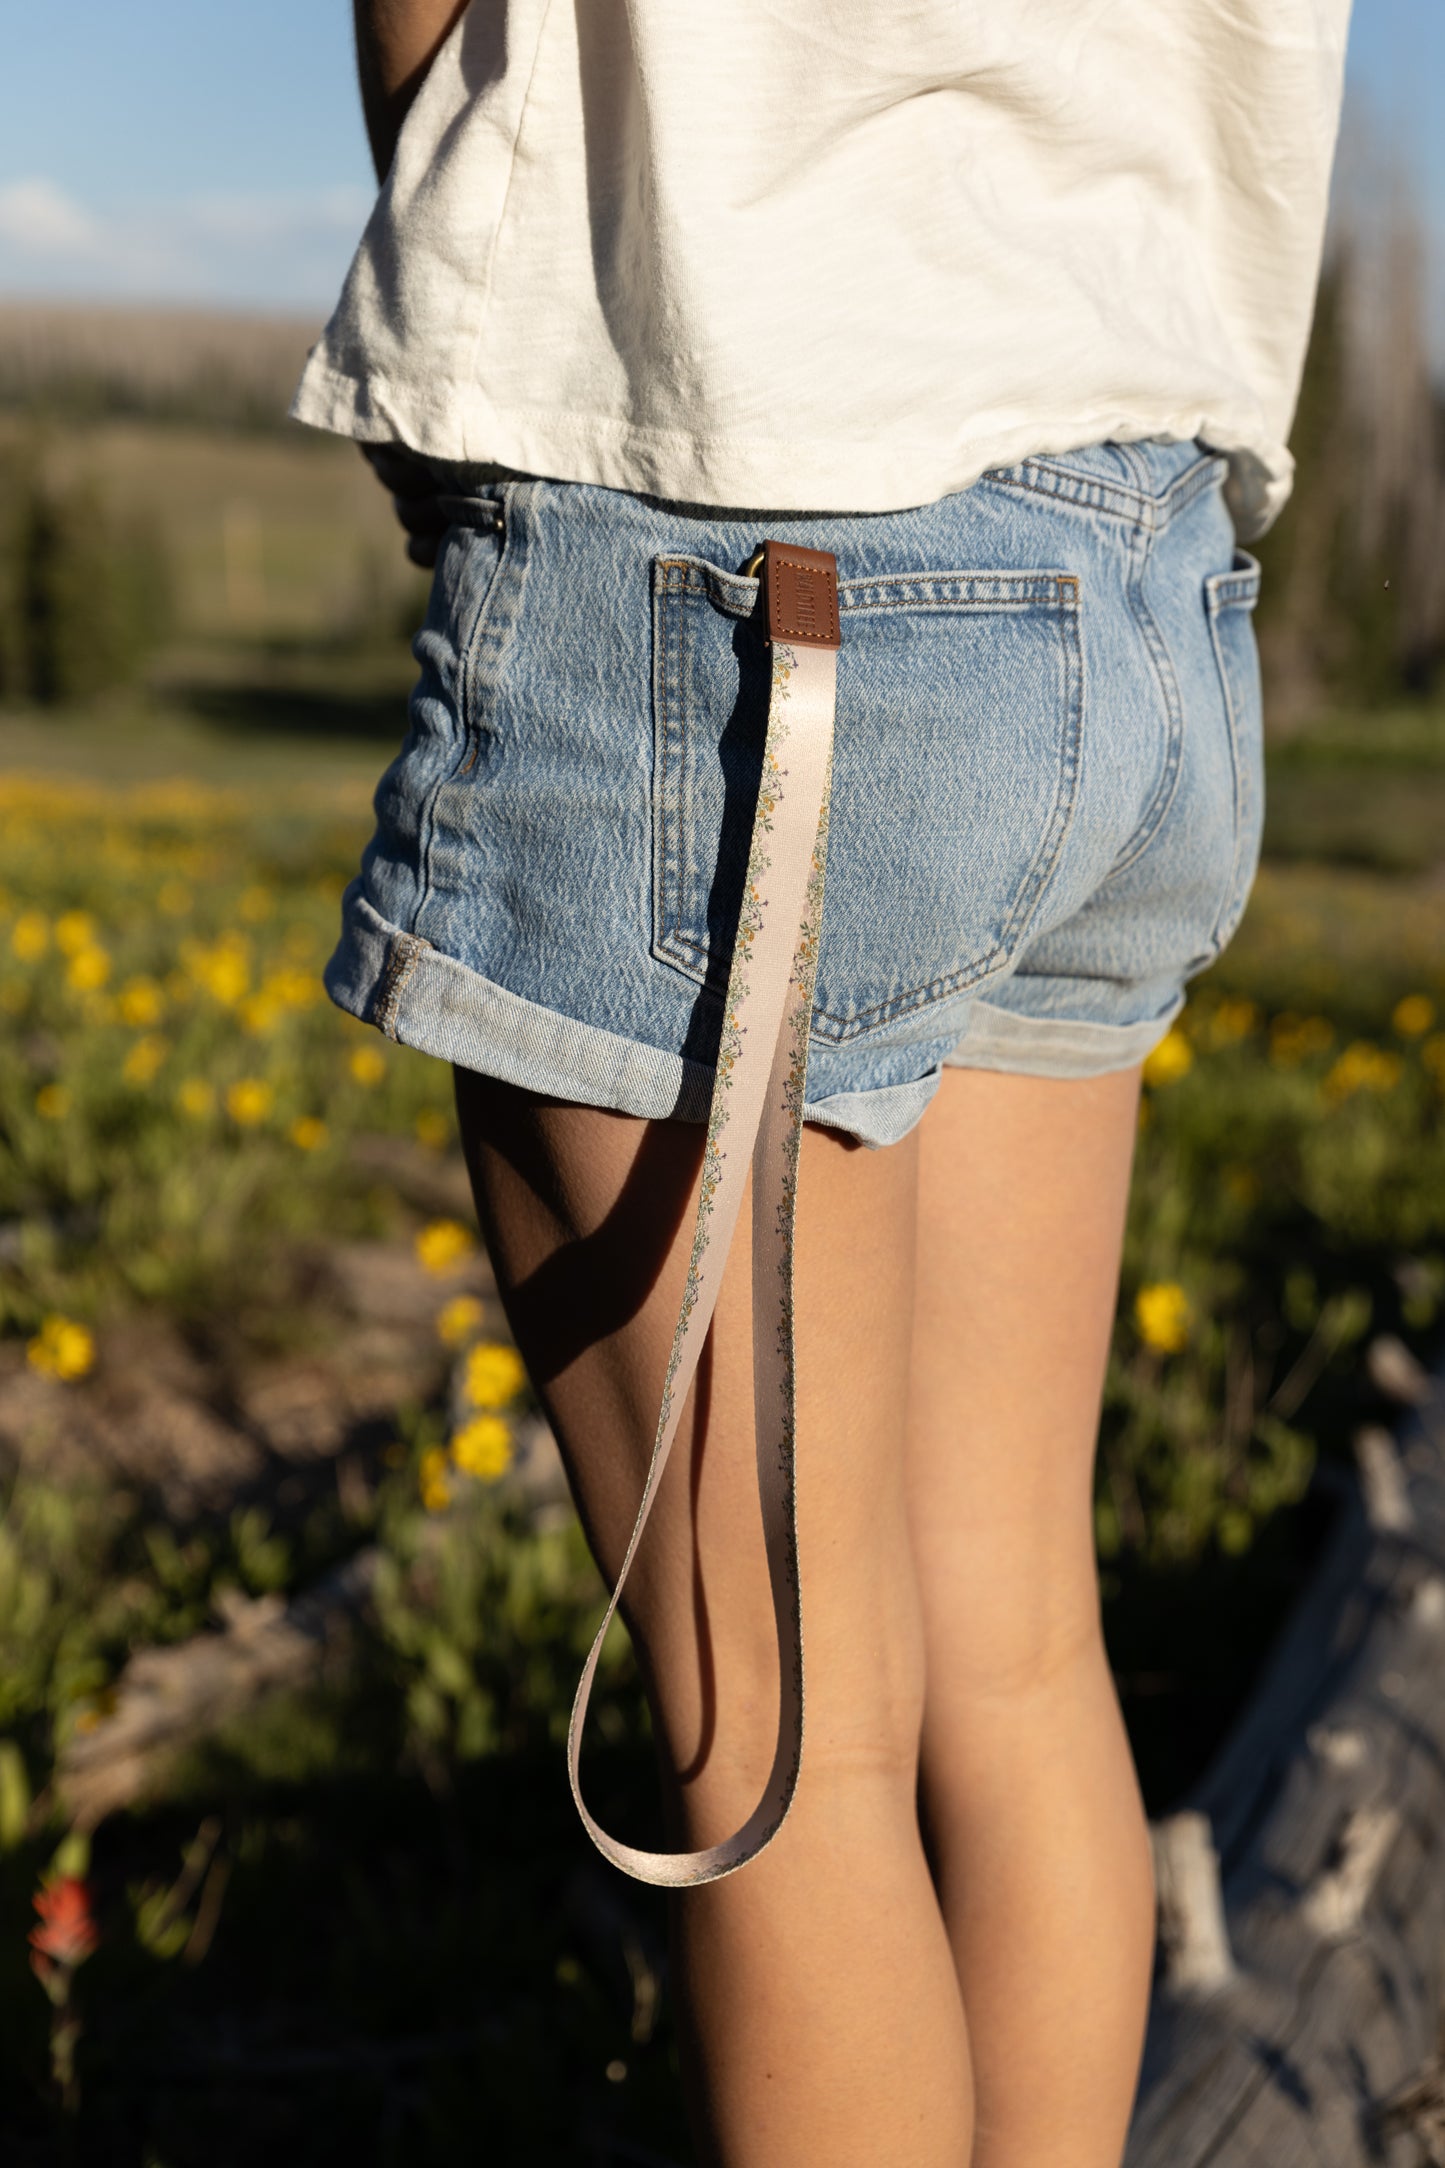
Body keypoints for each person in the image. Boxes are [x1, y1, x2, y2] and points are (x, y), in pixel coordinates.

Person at [293, 4, 1352, 2161]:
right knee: (1020, 1666)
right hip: (1150, 553)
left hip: (743, 507)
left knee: (787, 1757)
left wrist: (465, 246)